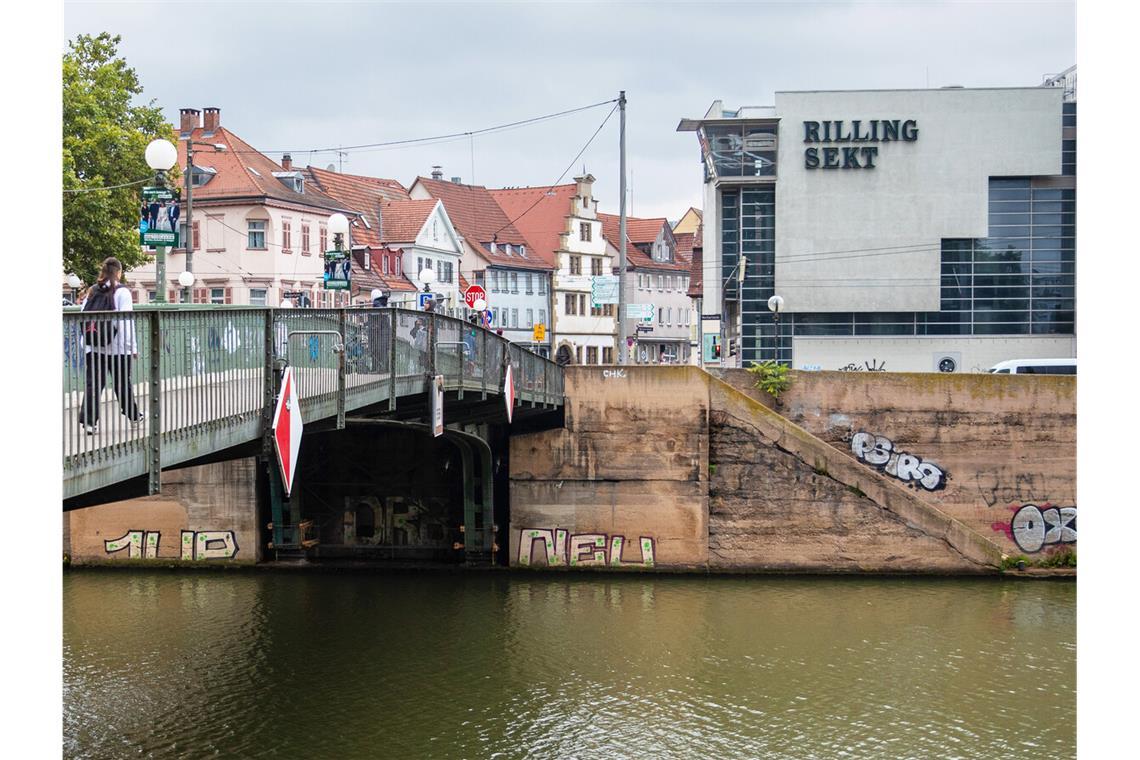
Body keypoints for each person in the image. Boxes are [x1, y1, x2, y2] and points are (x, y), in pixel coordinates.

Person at [79, 257, 142, 435]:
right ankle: (134, 416)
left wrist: (87, 344)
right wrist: (132, 347)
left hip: (95, 346)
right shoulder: (122, 292)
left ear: (103, 272)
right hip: (118, 348)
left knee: (94, 384)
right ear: (119, 272)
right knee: (122, 383)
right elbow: (125, 321)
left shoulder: (92, 291)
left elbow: (83, 318)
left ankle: (90, 423)